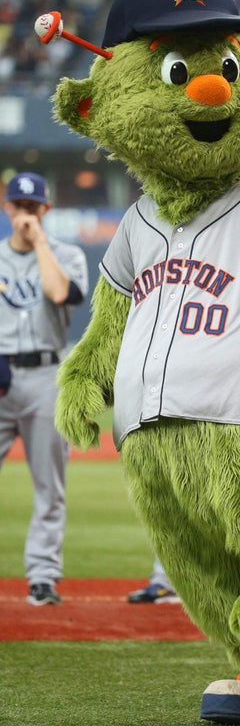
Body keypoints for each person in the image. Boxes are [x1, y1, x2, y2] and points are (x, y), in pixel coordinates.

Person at [0, 172, 88, 605]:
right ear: (7, 208)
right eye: (19, 206)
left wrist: (38, 245)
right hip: (1, 376)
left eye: (33, 207)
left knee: (49, 485)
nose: (26, 214)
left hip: (44, 377)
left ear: (46, 210)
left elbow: (58, 294)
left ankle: (42, 576)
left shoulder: (66, 255)